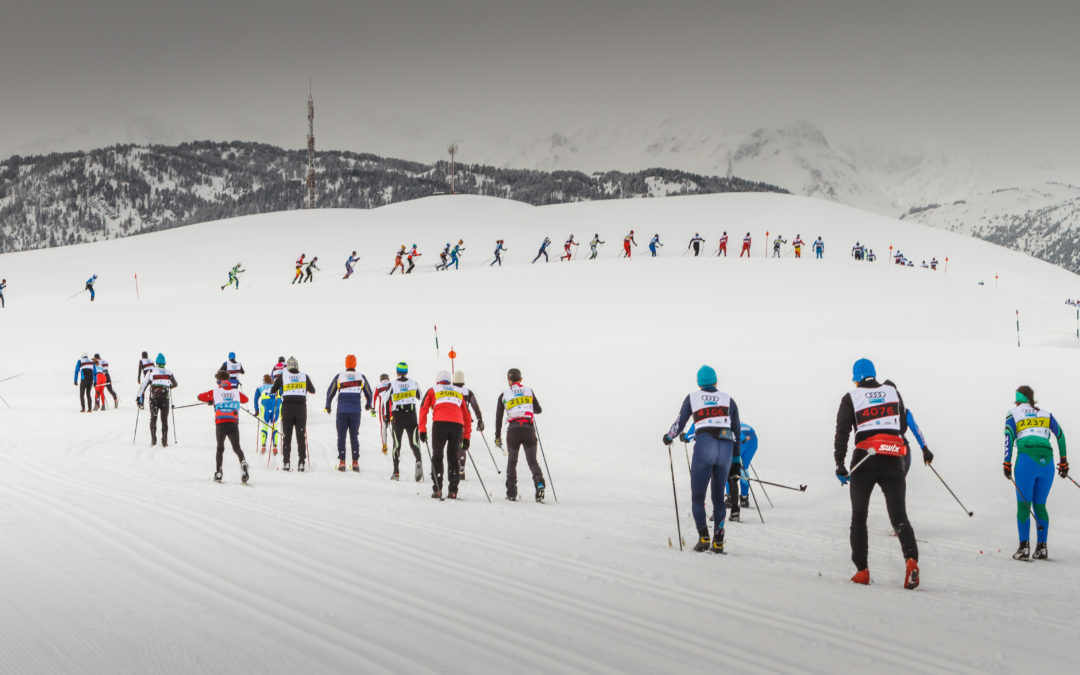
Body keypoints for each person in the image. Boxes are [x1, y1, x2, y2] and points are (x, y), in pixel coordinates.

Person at [834, 358, 919, 589]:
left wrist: (840, 464)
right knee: (899, 517)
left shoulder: (851, 398)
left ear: (857, 377)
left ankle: (862, 571)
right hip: (894, 456)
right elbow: (902, 425)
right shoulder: (892, 390)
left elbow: (842, 432)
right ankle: (911, 560)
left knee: (859, 516)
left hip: (866, 458)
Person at [662, 366, 741, 553]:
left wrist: (669, 437)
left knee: (698, 497)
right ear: (716, 382)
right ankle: (718, 541)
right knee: (718, 498)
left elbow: (680, 423)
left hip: (705, 445)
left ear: (699, 383)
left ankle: (704, 538)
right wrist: (736, 462)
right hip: (726, 447)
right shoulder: (728, 399)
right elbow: (736, 431)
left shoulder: (693, 397)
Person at [1004, 385, 1068, 561]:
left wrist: (1006, 462)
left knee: (1023, 505)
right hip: (1046, 463)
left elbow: (1008, 435)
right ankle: (1042, 548)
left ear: (1018, 400)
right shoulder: (1046, 414)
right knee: (1040, 505)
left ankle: (1024, 548)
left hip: (1026, 461)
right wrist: (1063, 462)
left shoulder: (1013, 413)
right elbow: (1060, 435)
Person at [418, 370, 473, 500]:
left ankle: (437, 488)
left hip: (440, 424)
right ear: (450, 381)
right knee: (453, 457)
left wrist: (422, 429)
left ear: (437, 381)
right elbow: (467, 415)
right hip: (457, 426)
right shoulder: (458, 391)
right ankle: (453, 490)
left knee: (437, 455)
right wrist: (467, 437)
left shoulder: (433, 390)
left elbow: (423, 409)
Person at [494, 368, 546, 502]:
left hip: (513, 431)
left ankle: (511, 493)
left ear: (509, 380)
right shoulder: (529, 391)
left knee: (512, 461)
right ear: (520, 380)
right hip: (528, 429)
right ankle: (539, 483)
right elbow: (538, 410)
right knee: (532, 461)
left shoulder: (503, 394)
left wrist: (497, 436)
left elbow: (499, 417)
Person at [197, 369, 250, 484]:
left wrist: (212, 399)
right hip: (233, 423)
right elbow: (246, 399)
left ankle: (219, 472)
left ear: (219, 381)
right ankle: (243, 463)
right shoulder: (235, 392)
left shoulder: (216, 392)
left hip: (221, 423)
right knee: (237, 448)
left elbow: (200, 397)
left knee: (220, 448)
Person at [325, 355, 374, 472]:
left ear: (346, 364)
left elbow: (330, 391)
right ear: (355, 364)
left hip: (342, 411)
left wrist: (328, 405)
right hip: (355, 412)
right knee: (354, 437)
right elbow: (369, 392)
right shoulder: (360, 377)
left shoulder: (340, 376)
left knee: (341, 436)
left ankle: (342, 462)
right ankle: (355, 462)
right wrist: (368, 404)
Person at [270, 356, 316, 471]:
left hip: (287, 409)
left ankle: (286, 463)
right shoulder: (304, 376)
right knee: (301, 437)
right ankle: (301, 463)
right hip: (301, 409)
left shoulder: (283, 376)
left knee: (287, 437)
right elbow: (313, 390)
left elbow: (273, 390)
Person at [386, 362, 423, 481]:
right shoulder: (413, 383)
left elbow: (385, 401)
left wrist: (386, 416)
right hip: (411, 415)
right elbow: (422, 398)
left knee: (397, 445)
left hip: (398, 416)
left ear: (397, 372)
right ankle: (418, 461)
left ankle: (396, 472)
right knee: (414, 443)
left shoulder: (392, 384)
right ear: (406, 372)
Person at [451, 370, 486, 480]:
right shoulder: (468, 392)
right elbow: (475, 407)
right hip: (465, 422)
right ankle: (462, 467)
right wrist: (480, 419)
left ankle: (454, 469)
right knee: (462, 444)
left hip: (453, 421)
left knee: (453, 445)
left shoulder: (450, 391)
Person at [137, 353, 177, 447]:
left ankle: (153, 440)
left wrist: (138, 398)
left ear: (157, 363)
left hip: (154, 399)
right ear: (164, 363)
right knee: (164, 420)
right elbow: (175, 384)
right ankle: (164, 441)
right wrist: (167, 386)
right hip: (165, 399)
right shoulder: (169, 372)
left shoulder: (151, 371)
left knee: (153, 418)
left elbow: (143, 385)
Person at [725, 423, 758, 521]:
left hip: (741, 438)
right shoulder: (734, 419)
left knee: (729, 467)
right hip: (753, 439)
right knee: (744, 468)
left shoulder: (722, 421)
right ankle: (744, 498)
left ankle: (730, 497)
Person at [254, 374, 281, 455]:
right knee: (275, 426)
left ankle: (263, 446)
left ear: (264, 380)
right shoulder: (278, 386)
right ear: (272, 380)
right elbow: (284, 396)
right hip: (276, 406)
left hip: (265, 407)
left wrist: (256, 410)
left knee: (265, 426)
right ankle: (275, 447)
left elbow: (255, 399)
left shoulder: (260, 387)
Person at [902, 409, 933, 476]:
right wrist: (925, 449)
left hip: (876, 450)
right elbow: (916, 430)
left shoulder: (873, 406)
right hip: (899, 450)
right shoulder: (904, 411)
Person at [374, 373, 393, 452]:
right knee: (394, 428)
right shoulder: (392, 385)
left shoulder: (378, 386)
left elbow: (373, 398)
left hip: (383, 412)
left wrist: (372, 409)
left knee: (383, 428)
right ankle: (396, 445)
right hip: (392, 411)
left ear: (380, 379)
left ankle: (384, 445)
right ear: (388, 379)